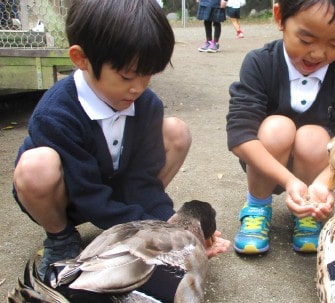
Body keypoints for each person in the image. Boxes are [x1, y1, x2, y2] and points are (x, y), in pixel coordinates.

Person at [12, 0, 230, 296]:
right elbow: (87, 194)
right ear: (81, 59)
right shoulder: (56, 114)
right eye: (127, 76)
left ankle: (128, 221)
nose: (138, 88)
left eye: (148, 74)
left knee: (176, 130)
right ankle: (60, 237)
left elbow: (143, 178)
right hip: (69, 197)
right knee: (35, 166)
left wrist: (171, 229)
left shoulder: (146, 104)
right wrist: (144, 230)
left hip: (118, 186)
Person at [226, 0, 335, 255]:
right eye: (306, 39)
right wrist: (289, 181)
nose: (318, 54)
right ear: (279, 17)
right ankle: (257, 206)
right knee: (277, 127)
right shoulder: (260, 63)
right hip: (266, 161)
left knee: (315, 137)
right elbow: (240, 134)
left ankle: (308, 212)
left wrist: (324, 184)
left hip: (314, 165)